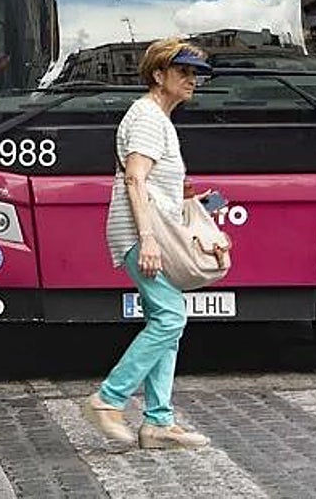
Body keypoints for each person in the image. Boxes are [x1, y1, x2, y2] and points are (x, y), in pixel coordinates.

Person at [85, 38, 212, 452]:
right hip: (139, 235)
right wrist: (149, 240)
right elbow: (135, 178)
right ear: (158, 75)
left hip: (148, 232)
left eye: (195, 74)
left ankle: (158, 422)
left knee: (167, 322)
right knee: (171, 318)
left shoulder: (158, 118)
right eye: (183, 72)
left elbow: (153, 183)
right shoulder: (146, 118)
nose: (192, 80)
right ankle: (108, 399)